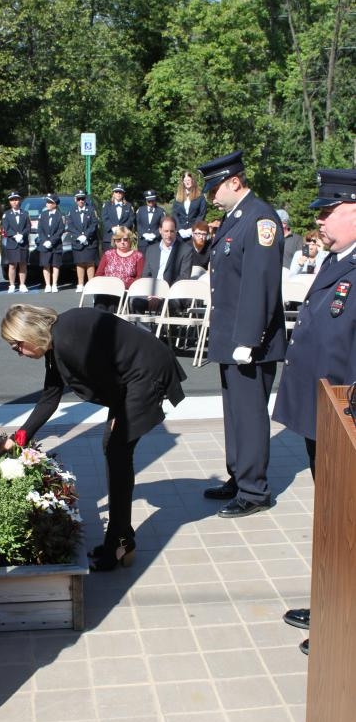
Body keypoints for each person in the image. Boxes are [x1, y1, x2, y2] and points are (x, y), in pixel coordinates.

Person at [0, 304, 186, 571]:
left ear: (29, 333)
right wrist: (18, 439)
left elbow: (114, 380)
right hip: (129, 376)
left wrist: (118, 415)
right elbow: (50, 398)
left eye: (17, 345)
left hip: (144, 373)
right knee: (114, 450)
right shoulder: (56, 343)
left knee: (117, 451)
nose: (18, 353)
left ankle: (119, 545)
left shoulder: (68, 341)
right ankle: (121, 540)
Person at [273, 168, 356, 655]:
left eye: (328, 212)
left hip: (346, 418)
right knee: (331, 518)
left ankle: (343, 618)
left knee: (346, 523)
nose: (319, 221)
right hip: (321, 412)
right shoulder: (337, 259)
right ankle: (330, 604)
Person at [197, 150, 286, 518]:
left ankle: (254, 489)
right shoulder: (236, 217)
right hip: (231, 338)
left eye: (215, 188)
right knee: (235, 414)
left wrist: (248, 339)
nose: (211, 197)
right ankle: (239, 476)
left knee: (249, 415)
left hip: (250, 342)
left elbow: (259, 285)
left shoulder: (259, 218)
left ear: (235, 182)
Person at [131, 215, 191, 315]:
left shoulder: (185, 250)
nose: (169, 235)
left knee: (165, 305)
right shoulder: (151, 250)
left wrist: (161, 295)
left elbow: (183, 277)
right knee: (135, 302)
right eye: (166, 231)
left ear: (176, 231)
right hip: (151, 294)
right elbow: (146, 275)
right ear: (160, 230)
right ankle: (145, 330)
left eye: (172, 231)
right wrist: (151, 295)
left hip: (172, 295)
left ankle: (162, 331)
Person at [94, 226, 144, 311]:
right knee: (100, 303)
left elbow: (140, 277)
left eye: (125, 239)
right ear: (114, 241)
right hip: (106, 289)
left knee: (113, 305)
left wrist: (123, 284)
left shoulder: (138, 256)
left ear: (130, 240)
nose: (122, 242)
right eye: (118, 240)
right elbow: (98, 274)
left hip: (125, 290)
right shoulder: (108, 254)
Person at [66, 190, 99, 292]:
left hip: (90, 241)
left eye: (83, 198)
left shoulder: (91, 210)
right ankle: (80, 284)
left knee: (90, 263)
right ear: (75, 200)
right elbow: (70, 226)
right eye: (79, 199)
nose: (81, 201)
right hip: (77, 241)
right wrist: (79, 236)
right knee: (79, 263)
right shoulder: (71, 211)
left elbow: (94, 224)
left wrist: (86, 236)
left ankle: (91, 284)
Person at [1, 191, 31, 293]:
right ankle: (12, 285)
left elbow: (28, 227)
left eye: (16, 199)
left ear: (19, 200)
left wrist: (22, 235)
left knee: (23, 264)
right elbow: (6, 228)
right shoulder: (6, 214)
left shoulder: (25, 213)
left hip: (23, 242)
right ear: (10, 202)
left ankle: (22, 284)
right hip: (12, 243)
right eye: (12, 200)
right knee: (12, 265)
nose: (15, 202)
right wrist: (14, 235)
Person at [36, 193, 64, 292]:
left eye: (49, 202)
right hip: (44, 244)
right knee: (45, 264)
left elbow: (60, 230)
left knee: (55, 265)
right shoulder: (43, 214)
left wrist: (51, 241)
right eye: (47, 202)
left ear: (55, 204)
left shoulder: (60, 216)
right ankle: (47, 284)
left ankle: (54, 284)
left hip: (55, 244)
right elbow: (39, 229)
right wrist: (44, 240)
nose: (47, 204)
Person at [171, 171, 207, 239]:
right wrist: (179, 229)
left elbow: (202, 214)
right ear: (183, 183)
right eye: (185, 180)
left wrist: (192, 229)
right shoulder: (178, 197)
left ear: (192, 181)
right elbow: (174, 214)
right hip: (180, 233)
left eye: (188, 180)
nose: (187, 182)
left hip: (194, 232)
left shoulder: (200, 196)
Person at [101, 183, 135, 252]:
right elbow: (104, 218)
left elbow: (131, 219)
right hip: (109, 237)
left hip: (124, 238)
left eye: (120, 192)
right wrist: (112, 227)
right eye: (116, 192)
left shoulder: (128, 205)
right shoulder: (107, 205)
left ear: (123, 194)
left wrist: (122, 228)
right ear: (113, 193)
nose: (118, 194)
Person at [135, 190, 166, 255]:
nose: (151, 202)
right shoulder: (140, 210)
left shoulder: (161, 211)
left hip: (155, 241)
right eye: (149, 201)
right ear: (146, 200)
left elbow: (162, 225)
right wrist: (143, 234)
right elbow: (137, 224)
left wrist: (155, 234)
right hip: (143, 242)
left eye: (153, 200)